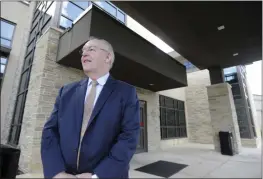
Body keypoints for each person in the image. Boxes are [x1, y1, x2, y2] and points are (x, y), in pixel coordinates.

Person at [41, 37, 140, 178]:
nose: (84, 54)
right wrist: (56, 172)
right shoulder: (66, 92)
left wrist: (98, 176)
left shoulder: (126, 92)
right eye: (83, 51)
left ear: (108, 57)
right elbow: (50, 131)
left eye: (91, 49)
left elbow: (129, 137)